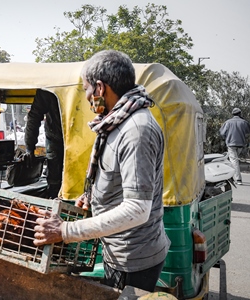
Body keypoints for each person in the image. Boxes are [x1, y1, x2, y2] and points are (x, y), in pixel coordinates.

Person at [33, 50, 170, 292]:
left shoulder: (136, 130)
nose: (86, 98)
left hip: (132, 259)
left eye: (86, 89)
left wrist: (65, 231)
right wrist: (94, 197)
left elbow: (137, 209)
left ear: (99, 88)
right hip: (118, 250)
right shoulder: (117, 122)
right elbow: (117, 179)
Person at [24, 89, 64, 199]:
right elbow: (34, 117)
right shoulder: (48, 89)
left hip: (57, 137)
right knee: (55, 179)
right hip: (57, 137)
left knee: (55, 179)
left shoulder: (48, 86)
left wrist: (29, 148)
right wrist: (29, 147)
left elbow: (34, 117)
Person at [219, 107, 250, 185]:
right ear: (240, 113)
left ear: (232, 114)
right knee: (234, 160)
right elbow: (248, 132)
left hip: (231, 144)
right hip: (241, 144)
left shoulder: (227, 122)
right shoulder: (244, 122)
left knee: (234, 161)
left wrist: (226, 137)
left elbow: (222, 133)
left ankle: (238, 179)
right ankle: (231, 176)